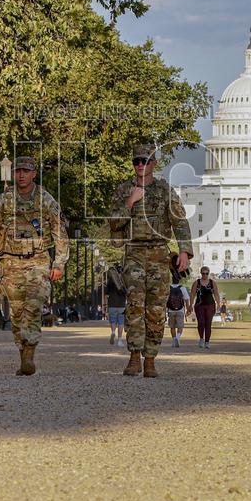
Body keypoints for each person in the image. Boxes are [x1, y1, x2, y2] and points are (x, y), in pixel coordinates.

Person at [109, 144, 194, 378]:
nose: (140, 165)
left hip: (159, 255)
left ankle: (150, 359)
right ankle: (134, 356)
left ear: (154, 164)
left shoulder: (165, 191)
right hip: (134, 253)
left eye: (145, 161)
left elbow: (180, 221)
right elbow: (114, 223)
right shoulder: (124, 190)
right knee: (135, 305)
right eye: (136, 161)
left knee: (156, 310)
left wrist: (184, 251)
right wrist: (130, 202)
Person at [0, 156, 69, 376]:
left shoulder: (46, 200)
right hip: (9, 262)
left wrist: (59, 263)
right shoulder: (3, 200)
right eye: (18, 170)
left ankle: (30, 351)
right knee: (17, 313)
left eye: (26, 171)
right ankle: (23, 353)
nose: (21, 174)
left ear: (34, 174)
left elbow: (60, 234)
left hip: (38, 260)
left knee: (34, 305)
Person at [191, 267, 220, 349]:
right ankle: (201, 338)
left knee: (208, 323)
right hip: (199, 305)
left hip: (210, 305)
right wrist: (190, 305)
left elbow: (216, 294)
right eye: (203, 273)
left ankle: (207, 341)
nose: (205, 275)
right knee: (201, 322)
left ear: (208, 273)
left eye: (206, 273)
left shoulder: (212, 283)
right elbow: (192, 294)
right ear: (201, 273)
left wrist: (218, 304)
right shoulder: (197, 283)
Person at [166, 276, 191, 348]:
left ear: (172, 280)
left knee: (172, 326)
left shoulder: (169, 288)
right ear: (179, 280)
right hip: (180, 310)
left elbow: (165, 300)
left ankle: (174, 340)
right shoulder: (182, 288)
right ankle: (178, 337)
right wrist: (188, 309)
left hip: (171, 310)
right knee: (180, 326)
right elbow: (186, 299)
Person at [105, 267, 127, 347]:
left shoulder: (110, 281)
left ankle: (113, 332)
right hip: (121, 304)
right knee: (121, 322)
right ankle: (120, 340)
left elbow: (106, 295)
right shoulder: (123, 281)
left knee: (113, 321)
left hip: (112, 304)